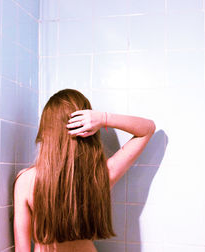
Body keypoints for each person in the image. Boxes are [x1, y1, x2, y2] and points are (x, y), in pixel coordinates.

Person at [13, 89, 155, 252]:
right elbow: (147, 129)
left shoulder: (26, 181)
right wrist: (103, 118)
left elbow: (21, 249)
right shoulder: (101, 176)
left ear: (47, 131)